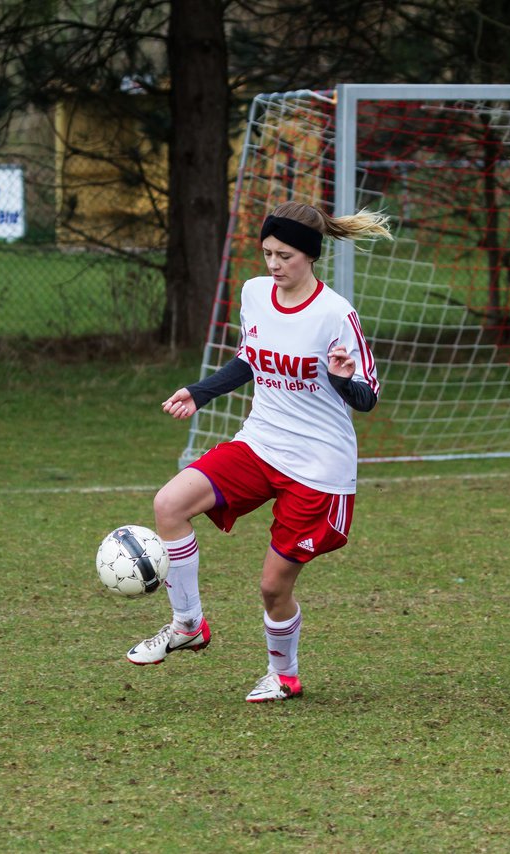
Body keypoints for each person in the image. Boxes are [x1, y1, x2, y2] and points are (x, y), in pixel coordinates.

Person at [125, 200, 391, 702]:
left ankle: (284, 674)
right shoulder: (254, 293)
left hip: (318, 467)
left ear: (309, 256)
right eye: (267, 252)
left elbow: (368, 398)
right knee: (169, 504)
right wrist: (199, 391)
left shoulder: (336, 314)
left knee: (273, 587)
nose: (273, 264)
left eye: (284, 255)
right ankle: (187, 623)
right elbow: (251, 356)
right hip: (261, 442)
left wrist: (340, 379)